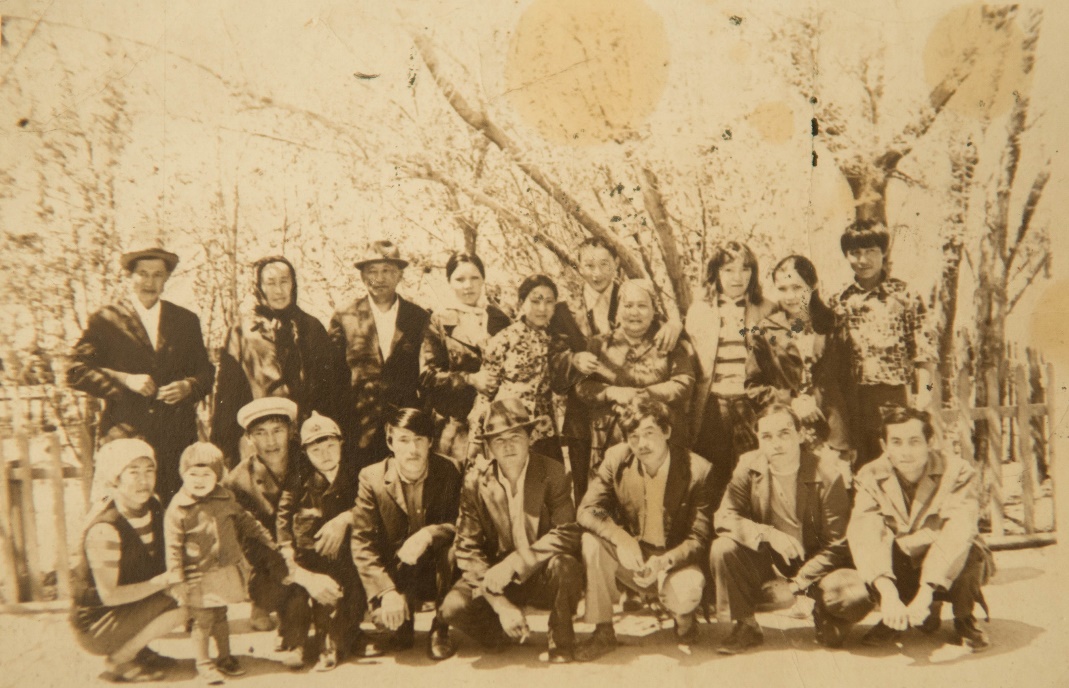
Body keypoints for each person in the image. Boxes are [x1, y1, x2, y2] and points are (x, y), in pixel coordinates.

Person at [710, 404, 861, 654]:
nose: (776, 444)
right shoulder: (749, 464)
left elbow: (837, 545)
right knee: (723, 547)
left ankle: (820, 608)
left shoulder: (827, 473)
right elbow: (725, 516)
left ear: (800, 435)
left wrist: (795, 585)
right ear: (758, 440)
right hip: (770, 558)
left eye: (784, 434)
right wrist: (768, 534)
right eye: (767, 437)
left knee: (851, 602)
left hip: (815, 561)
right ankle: (746, 624)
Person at [67, 247, 214, 504]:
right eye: (143, 274)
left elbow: (206, 372)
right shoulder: (106, 320)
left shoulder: (185, 321)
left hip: (175, 442)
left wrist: (189, 386)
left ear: (166, 279)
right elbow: (75, 370)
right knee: (126, 516)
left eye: (157, 275)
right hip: (126, 440)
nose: (149, 282)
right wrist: (125, 380)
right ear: (129, 276)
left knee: (175, 515)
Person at [440, 398, 583, 663]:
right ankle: (501, 633)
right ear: (489, 446)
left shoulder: (553, 472)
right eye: (498, 440)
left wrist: (515, 563)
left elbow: (567, 533)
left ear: (530, 438)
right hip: (497, 578)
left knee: (567, 566)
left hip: (540, 572)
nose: (507, 446)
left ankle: (561, 636)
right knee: (452, 608)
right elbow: (467, 547)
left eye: (515, 437)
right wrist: (500, 604)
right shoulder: (475, 481)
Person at [847, 406, 994, 651]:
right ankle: (896, 615)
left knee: (969, 552)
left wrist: (926, 591)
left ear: (930, 442)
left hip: (947, 555)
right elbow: (865, 531)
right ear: (884, 446)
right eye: (896, 442)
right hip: (902, 558)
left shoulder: (957, 471)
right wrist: (888, 595)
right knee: (880, 541)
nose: (905, 452)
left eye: (914, 441)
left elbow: (958, 530)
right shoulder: (870, 474)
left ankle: (964, 617)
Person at [574, 398, 712, 661]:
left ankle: (683, 616)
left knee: (686, 593)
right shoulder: (617, 458)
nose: (642, 444)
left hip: (674, 561)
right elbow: (590, 509)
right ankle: (603, 629)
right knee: (592, 542)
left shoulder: (698, 470)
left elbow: (699, 539)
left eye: (649, 433)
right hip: (634, 558)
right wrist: (619, 536)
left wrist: (664, 561)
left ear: (667, 432)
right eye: (634, 436)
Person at [550, 238, 683, 503]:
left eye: (604, 264)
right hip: (583, 419)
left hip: (634, 418)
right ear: (578, 266)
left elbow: (657, 324)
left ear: (617, 264)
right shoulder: (563, 311)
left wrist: (676, 324)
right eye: (589, 265)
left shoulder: (631, 298)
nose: (596, 273)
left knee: (637, 493)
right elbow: (553, 362)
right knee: (589, 496)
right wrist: (573, 359)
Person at [222, 398, 346, 654]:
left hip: (318, 550)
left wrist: (344, 520)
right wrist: (303, 577)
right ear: (248, 438)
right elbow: (254, 547)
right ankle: (279, 617)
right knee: (291, 597)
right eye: (260, 433)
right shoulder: (237, 482)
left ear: (291, 431)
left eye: (277, 430)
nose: (271, 441)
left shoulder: (313, 457)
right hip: (274, 562)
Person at [350, 407, 463, 661]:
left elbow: (462, 523)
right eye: (403, 440)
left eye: (419, 439)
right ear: (390, 443)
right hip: (397, 570)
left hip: (436, 569)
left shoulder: (449, 470)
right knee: (392, 629)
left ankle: (441, 627)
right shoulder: (371, 477)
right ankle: (400, 614)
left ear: (430, 442)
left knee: (454, 551)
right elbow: (362, 542)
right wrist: (386, 591)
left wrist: (429, 533)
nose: (413, 449)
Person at [70, 439, 186, 683]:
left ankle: (138, 649)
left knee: (194, 590)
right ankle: (121, 659)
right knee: (187, 601)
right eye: (133, 472)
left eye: (149, 471)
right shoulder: (105, 528)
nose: (144, 481)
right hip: (96, 625)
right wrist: (165, 582)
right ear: (115, 478)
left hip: (125, 610)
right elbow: (109, 596)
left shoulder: (152, 507)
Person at [165, 442, 280, 684]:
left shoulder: (225, 498)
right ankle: (203, 663)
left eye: (206, 474)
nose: (199, 480)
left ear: (217, 476)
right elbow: (173, 546)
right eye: (193, 474)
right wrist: (176, 577)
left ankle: (225, 657)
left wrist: (266, 538)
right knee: (202, 619)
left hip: (222, 569)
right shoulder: (178, 508)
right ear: (183, 474)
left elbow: (244, 520)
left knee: (220, 614)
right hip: (197, 573)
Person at [211, 256, 339, 465]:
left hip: (307, 438)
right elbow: (227, 396)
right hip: (262, 440)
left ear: (293, 284)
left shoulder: (312, 328)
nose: (279, 290)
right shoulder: (242, 332)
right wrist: (225, 450)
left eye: (284, 281)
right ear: (259, 287)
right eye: (271, 283)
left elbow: (329, 391)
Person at [828, 221, 935, 469]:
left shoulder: (905, 295)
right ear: (846, 255)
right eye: (855, 252)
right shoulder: (839, 300)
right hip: (852, 399)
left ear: (883, 252)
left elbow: (925, 353)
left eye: (871, 251)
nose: (863, 260)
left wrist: (925, 394)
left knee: (896, 464)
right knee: (859, 468)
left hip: (892, 396)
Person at [685, 241, 774, 509]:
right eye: (729, 270)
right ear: (715, 273)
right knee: (712, 479)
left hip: (751, 405)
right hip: (712, 406)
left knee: (752, 476)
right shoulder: (699, 310)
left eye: (745, 269)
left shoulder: (767, 309)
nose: (738, 277)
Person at [574, 279, 696, 473]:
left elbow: (684, 382)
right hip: (612, 440)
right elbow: (582, 387)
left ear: (654, 310)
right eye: (628, 305)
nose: (634, 312)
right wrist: (612, 392)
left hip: (662, 440)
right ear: (618, 309)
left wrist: (646, 394)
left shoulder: (669, 343)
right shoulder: (599, 344)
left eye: (642, 306)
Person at [275, 412, 366, 671]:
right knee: (298, 596)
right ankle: (297, 643)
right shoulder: (299, 479)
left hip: (345, 553)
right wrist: (286, 547)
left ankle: (335, 641)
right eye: (316, 450)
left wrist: (347, 517)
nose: (325, 455)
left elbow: (369, 506)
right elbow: (283, 515)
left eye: (330, 446)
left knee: (347, 593)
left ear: (341, 444)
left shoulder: (356, 476)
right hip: (309, 554)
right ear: (305, 453)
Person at [329, 240, 430, 468]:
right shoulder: (345, 316)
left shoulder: (419, 318)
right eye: (372, 271)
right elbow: (334, 379)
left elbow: (426, 376)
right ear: (363, 277)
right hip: (358, 431)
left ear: (399, 275)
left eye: (387, 270)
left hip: (405, 432)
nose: (380, 278)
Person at [746, 255, 849, 453]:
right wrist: (790, 401)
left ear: (813, 285)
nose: (790, 296)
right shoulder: (766, 330)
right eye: (782, 289)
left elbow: (848, 384)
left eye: (797, 287)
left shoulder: (834, 325)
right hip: (787, 431)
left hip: (834, 431)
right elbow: (753, 387)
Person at [420, 252, 511, 466]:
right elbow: (428, 376)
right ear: (449, 282)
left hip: (498, 425)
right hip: (455, 427)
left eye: (474, 278)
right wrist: (470, 379)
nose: (468, 286)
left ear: (483, 279)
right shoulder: (439, 320)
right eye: (460, 279)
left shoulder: (500, 319)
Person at [469, 274, 566, 462]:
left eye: (549, 302)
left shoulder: (558, 341)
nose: (542, 308)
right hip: (508, 430)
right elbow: (485, 393)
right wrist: (475, 438)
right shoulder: (504, 339)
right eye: (535, 301)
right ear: (521, 302)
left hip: (545, 432)